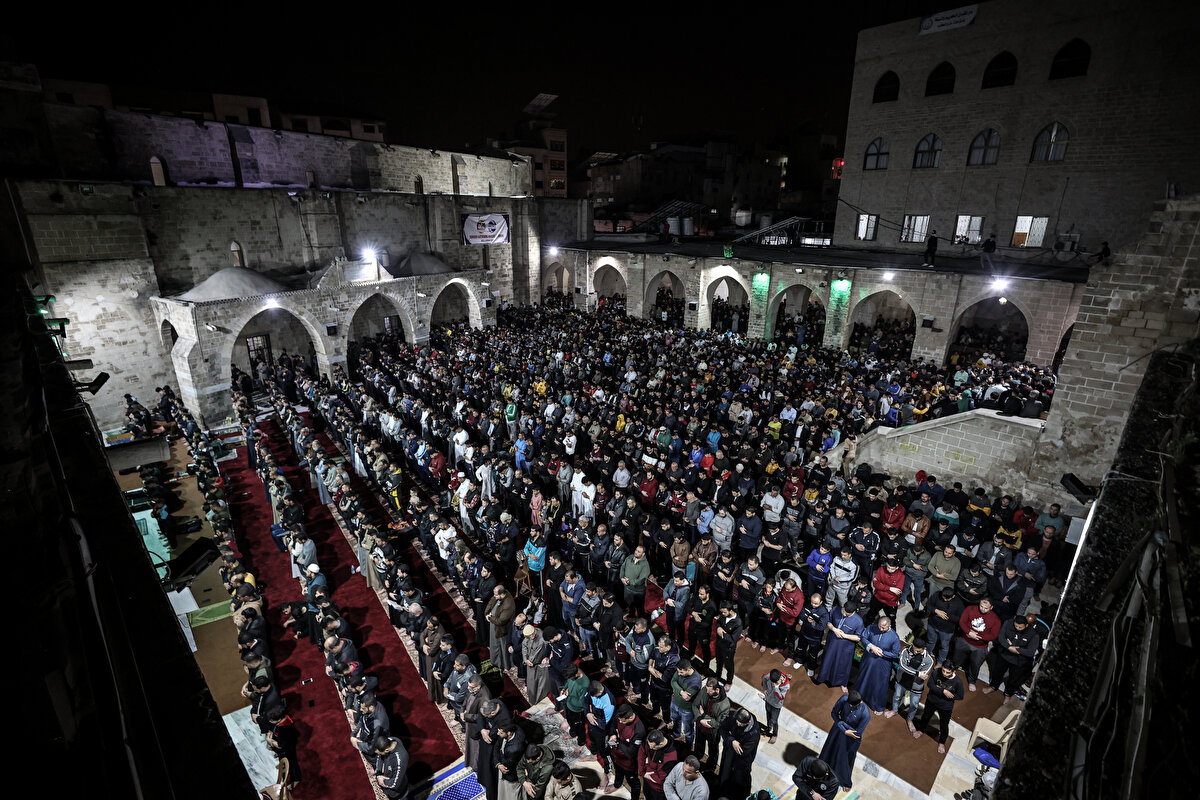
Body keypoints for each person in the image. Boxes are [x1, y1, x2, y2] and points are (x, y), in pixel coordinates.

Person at [817, 690, 869, 790]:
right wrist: (843, 729)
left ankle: (845, 782)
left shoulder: (865, 714)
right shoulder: (844, 699)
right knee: (829, 750)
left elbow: (857, 732)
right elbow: (834, 713)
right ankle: (821, 771)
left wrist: (841, 725)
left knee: (845, 759)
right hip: (838, 731)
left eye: (852, 705)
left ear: (860, 702)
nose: (850, 706)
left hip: (852, 738)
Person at [983, 613, 1039, 702]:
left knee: (1013, 679)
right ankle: (993, 686)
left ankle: (1008, 694)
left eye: (1020, 627)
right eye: (1016, 626)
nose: (1017, 628)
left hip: (1019, 660)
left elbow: (1030, 652)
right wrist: (1009, 647)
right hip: (1005, 654)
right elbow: (1001, 637)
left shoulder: (1033, 634)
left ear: (1026, 625)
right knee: (997, 672)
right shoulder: (1008, 623)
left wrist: (1016, 648)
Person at [853, 614, 901, 713]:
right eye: (879, 626)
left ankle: (877, 706)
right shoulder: (872, 627)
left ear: (889, 626)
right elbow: (863, 637)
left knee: (879, 685)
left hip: (882, 665)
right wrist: (871, 646)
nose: (880, 629)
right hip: (868, 661)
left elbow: (895, 654)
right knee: (863, 679)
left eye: (883, 627)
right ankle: (858, 699)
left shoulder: (894, 637)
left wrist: (882, 653)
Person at [913, 662, 964, 753]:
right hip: (931, 700)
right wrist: (943, 691)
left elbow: (960, 696)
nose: (944, 673)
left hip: (946, 706)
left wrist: (949, 695)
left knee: (944, 724)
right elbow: (930, 684)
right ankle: (921, 730)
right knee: (925, 716)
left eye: (947, 672)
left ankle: (942, 742)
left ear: (954, 671)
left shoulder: (958, 682)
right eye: (943, 670)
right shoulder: (936, 672)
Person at [952, 597, 1001, 691]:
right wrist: (968, 632)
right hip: (964, 640)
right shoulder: (970, 609)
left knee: (975, 665)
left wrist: (978, 636)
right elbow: (962, 621)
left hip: (980, 647)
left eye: (986, 608)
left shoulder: (995, 619)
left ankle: (972, 681)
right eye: (981, 606)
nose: (982, 609)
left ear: (991, 608)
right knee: (956, 658)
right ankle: (952, 670)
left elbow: (993, 636)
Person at [816, 599, 863, 690]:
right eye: (843, 612)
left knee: (842, 665)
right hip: (832, 641)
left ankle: (842, 683)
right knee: (827, 659)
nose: (844, 615)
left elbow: (858, 637)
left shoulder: (858, 621)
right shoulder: (836, 609)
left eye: (847, 615)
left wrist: (845, 635)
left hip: (845, 647)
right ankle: (822, 676)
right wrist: (834, 629)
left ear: (853, 612)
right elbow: (828, 621)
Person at [717, 709, 760, 800]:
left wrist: (731, 741)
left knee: (740, 782)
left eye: (741, 723)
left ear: (748, 722)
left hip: (743, 761)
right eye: (737, 721)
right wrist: (732, 741)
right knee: (724, 775)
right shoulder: (734, 717)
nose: (737, 724)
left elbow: (742, 751)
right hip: (729, 753)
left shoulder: (754, 734)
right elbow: (723, 729)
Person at [889, 637, 933, 722]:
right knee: (897, 696)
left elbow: (924, 675)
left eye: (918, 651)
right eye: (915, 649)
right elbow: (902, 666)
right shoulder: (905, 650)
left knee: (914, 704)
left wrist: (913, 672)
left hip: (916, 685)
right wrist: (918, 673)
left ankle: (910, 719)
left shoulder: (929, 660)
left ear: (924, 649)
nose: (916, 652)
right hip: (902, 679)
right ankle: (894, 710)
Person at [609, 704, 646, 799]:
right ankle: (617, 784)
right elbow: (613, 724)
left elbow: (631, 753)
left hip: (628, 763)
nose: (620, 721)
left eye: (622, 720)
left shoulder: (639, 730)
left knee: (633, 783)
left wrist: (617, 741)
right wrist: (613, 734)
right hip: (616, 756)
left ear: (630, 717)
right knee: (618, 771)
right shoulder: (620, 716)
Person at [638, 729, 678, 800]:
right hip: (647, 780)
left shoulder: (671, 758)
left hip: (657, 789)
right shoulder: (652, 740)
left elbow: (660, 779)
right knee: (646, 795)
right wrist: (643, 772)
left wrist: (646, 765)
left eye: (653, 747)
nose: (650, 748)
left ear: (661, 744)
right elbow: (641, 752)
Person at [373, 735, 411, 800]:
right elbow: (379, 757)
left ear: (387, 750)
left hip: (398, 794)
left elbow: (395, 784)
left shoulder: (400, 759)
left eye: (380, 753)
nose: (379, 754)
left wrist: (382, 781)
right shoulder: (390, 741)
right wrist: (378, 773)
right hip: (389, 780)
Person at [761, 668, 791, 743]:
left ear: (781, 677)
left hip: (776, 706)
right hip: (768, 701)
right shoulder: (772, 676)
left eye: (775, 682)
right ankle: (768, 728)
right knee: (768, 716)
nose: (774, 683)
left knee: (774, 721)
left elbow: (781, 697)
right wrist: (764, 688)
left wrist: (776, 688)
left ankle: (774, 734)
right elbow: (764, 677)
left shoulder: (786, 686)